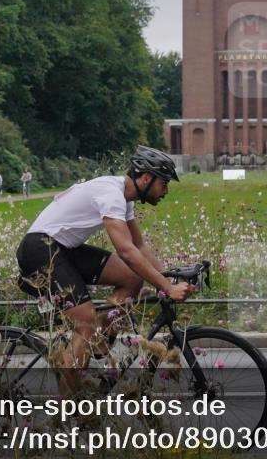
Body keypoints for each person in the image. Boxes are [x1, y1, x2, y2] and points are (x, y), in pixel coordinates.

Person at [16, 146, 192, 382]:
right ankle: (68, 413)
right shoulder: (111, 195)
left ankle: (97, 340)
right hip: (39, 248)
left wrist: (168, 280)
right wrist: (167, 287)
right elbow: (126, 251)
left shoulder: (125, 198)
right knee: (85, 323)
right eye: (164, 183)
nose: (166, 191)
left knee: (131, 278)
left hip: (62, 248)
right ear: (146, 178)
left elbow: (140, 247)